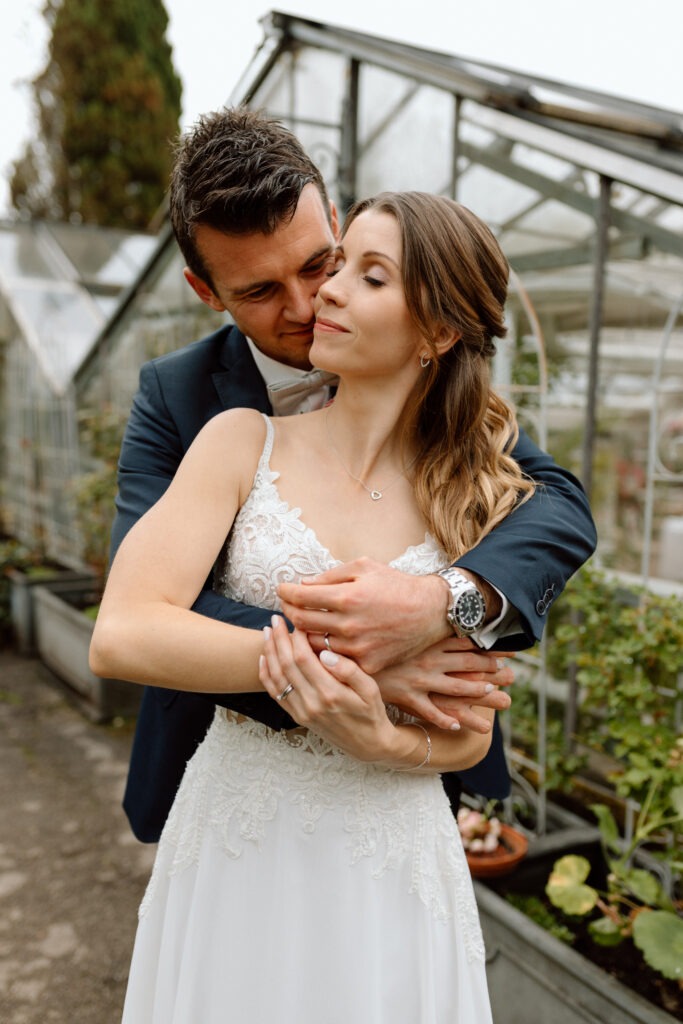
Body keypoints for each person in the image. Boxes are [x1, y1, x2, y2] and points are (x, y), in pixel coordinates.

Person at [91, 189, 552, 1021]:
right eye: (340, 264)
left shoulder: (476, 493)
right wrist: (360, 664)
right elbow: (122, 630)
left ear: (439, 332)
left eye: (365, 275)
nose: (326, 293)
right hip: (239, 834)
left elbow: (468, 728)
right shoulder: (238, 439)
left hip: (392, 853)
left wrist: (380, 737)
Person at [112, 108, 597, 846]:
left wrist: (442, 602)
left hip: (404, 787)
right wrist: (357, 665)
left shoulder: (457, 413)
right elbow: (146, 606)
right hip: (238, 774)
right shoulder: (181, 403)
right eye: (260, 292)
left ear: (334, 222)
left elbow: (557, 506)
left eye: (319, 265)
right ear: (206, 290)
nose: (309, 306)